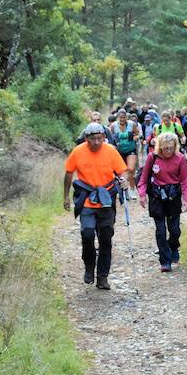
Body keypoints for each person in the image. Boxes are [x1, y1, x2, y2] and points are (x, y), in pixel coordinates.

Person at [63, 123, 129, 290]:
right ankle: (89, 266)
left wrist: (124, 180)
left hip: (106, 198)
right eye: (93, 139)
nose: (97, 142)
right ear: (87, 138)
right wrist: (65, 197)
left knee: (106, 238)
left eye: (100, 138)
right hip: (86, 198)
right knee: (87, 233)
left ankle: (102, 277)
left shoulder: (111, 151)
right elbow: (69, 173)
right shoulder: (78, 151)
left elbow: (122, 171)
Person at [137, 132, 187, 272]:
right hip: (157, 197)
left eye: (171, 148)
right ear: (160, 147)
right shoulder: (152, 157)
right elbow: (144, 178)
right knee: (160, 230)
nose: (168, 151)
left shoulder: (180, 159)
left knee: (175, 230)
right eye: (165, 148)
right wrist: (142, 194)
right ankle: (165, 260)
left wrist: (186, 199)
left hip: (173, 197)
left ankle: (173, 247)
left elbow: (185, 181)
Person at [110, 108, 142, 187]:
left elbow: (138, 134)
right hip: (119, 151)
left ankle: (132, 189)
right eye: (120, 117)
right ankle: (123, 188)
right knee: (120, 171)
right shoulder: (113, 126)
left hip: (130, 149)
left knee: (131, 169)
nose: (122, 119)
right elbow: (110, 138)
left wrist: (136, 137)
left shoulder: (132, 124)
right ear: (117, 118)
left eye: (123, 117)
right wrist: (112, 145)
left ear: (126, 117)